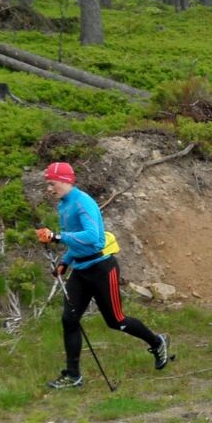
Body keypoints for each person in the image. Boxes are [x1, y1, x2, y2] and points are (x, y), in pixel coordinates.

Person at [36, 162, 172, 389]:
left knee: (116, 321)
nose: (49, 189)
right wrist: (65, 262)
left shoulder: (83, 202)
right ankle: (72, 375)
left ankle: (157, 342)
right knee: (69, 319)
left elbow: (92, 237)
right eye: (48, 184)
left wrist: (57, 237)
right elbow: (76, 240)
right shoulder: (63, 204)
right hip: (80, 270)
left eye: (52, 184)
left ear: (65, 180)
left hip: (101, 268)